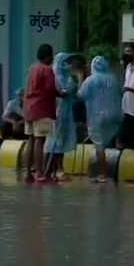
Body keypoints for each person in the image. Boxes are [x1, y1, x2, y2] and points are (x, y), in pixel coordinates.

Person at [77, 56, 123, 183]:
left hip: (97, 117)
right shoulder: (113, 79)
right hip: (115, 116)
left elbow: (80, 96)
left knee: (100, 146)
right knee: (113, 141)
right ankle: (118, 169)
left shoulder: (90, 81)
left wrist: (80, 81)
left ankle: (103, 174)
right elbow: (120, 93)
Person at [23, 44, 57, 183]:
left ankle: (27, 173)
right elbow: (50, 90)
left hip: (29, 108)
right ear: (49, 56)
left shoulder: (32, 68)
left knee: (30, 141)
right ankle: (39, 173)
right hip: (42, 108)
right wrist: (61, 94)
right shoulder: (47, 70)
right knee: (40, 141)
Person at [44, 52, 79, 181]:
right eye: (67, 62)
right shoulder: (55, 78)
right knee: (55, 140)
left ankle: (57, 169)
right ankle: (53, 169)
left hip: (66, 113)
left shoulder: (68, 77)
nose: (69, 65)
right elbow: (61, 93)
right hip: (56, 112)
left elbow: (73, 95)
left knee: (62, 140)